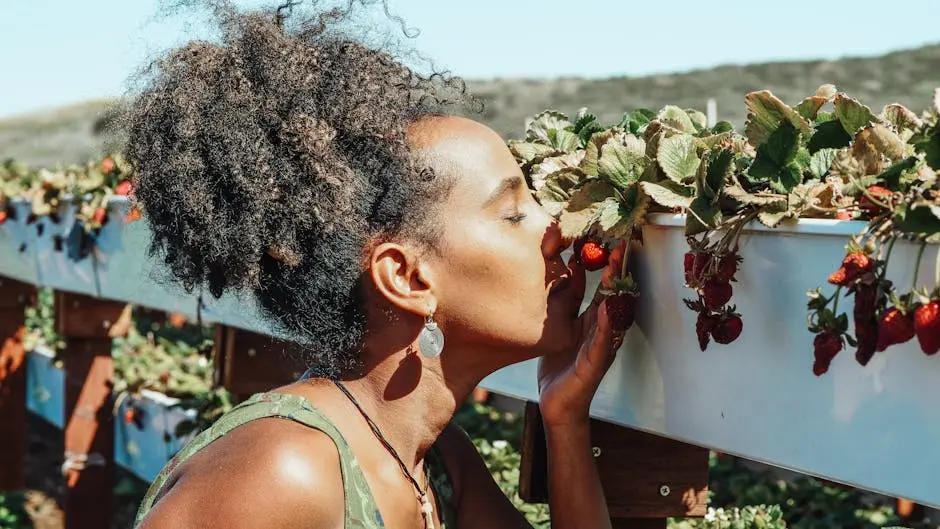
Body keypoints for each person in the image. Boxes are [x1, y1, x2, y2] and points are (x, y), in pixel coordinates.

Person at [124, 1, 628, 527]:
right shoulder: (281, 473)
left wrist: (565, 421)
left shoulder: (434, 463)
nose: (556, 229)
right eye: (513, 213)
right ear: (407, 278)